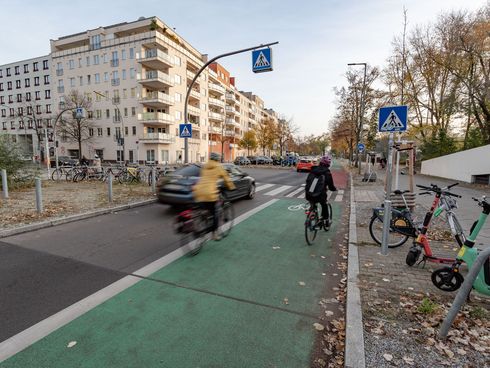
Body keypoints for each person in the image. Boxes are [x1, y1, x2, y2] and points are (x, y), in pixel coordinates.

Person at [193, 152, 236, 240]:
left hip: (198, 191)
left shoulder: (204, 166)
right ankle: (214, 234)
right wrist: (232, 187)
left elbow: (204, 178)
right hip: (209, 193)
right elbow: (226, 178)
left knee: (204, 210)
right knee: (215, 213)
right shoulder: (218, 166)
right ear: (217, 159)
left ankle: (202, 225)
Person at [305, 154, 337, 229]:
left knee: (312, 202)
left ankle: (311, 214)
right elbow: (331, 186)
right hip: (320, 195)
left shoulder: (313, 170)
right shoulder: (327, 173)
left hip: (308, 193)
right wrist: (334, 189)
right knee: (324, 204)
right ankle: (325, 220)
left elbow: (308, 181)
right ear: (328, 164)